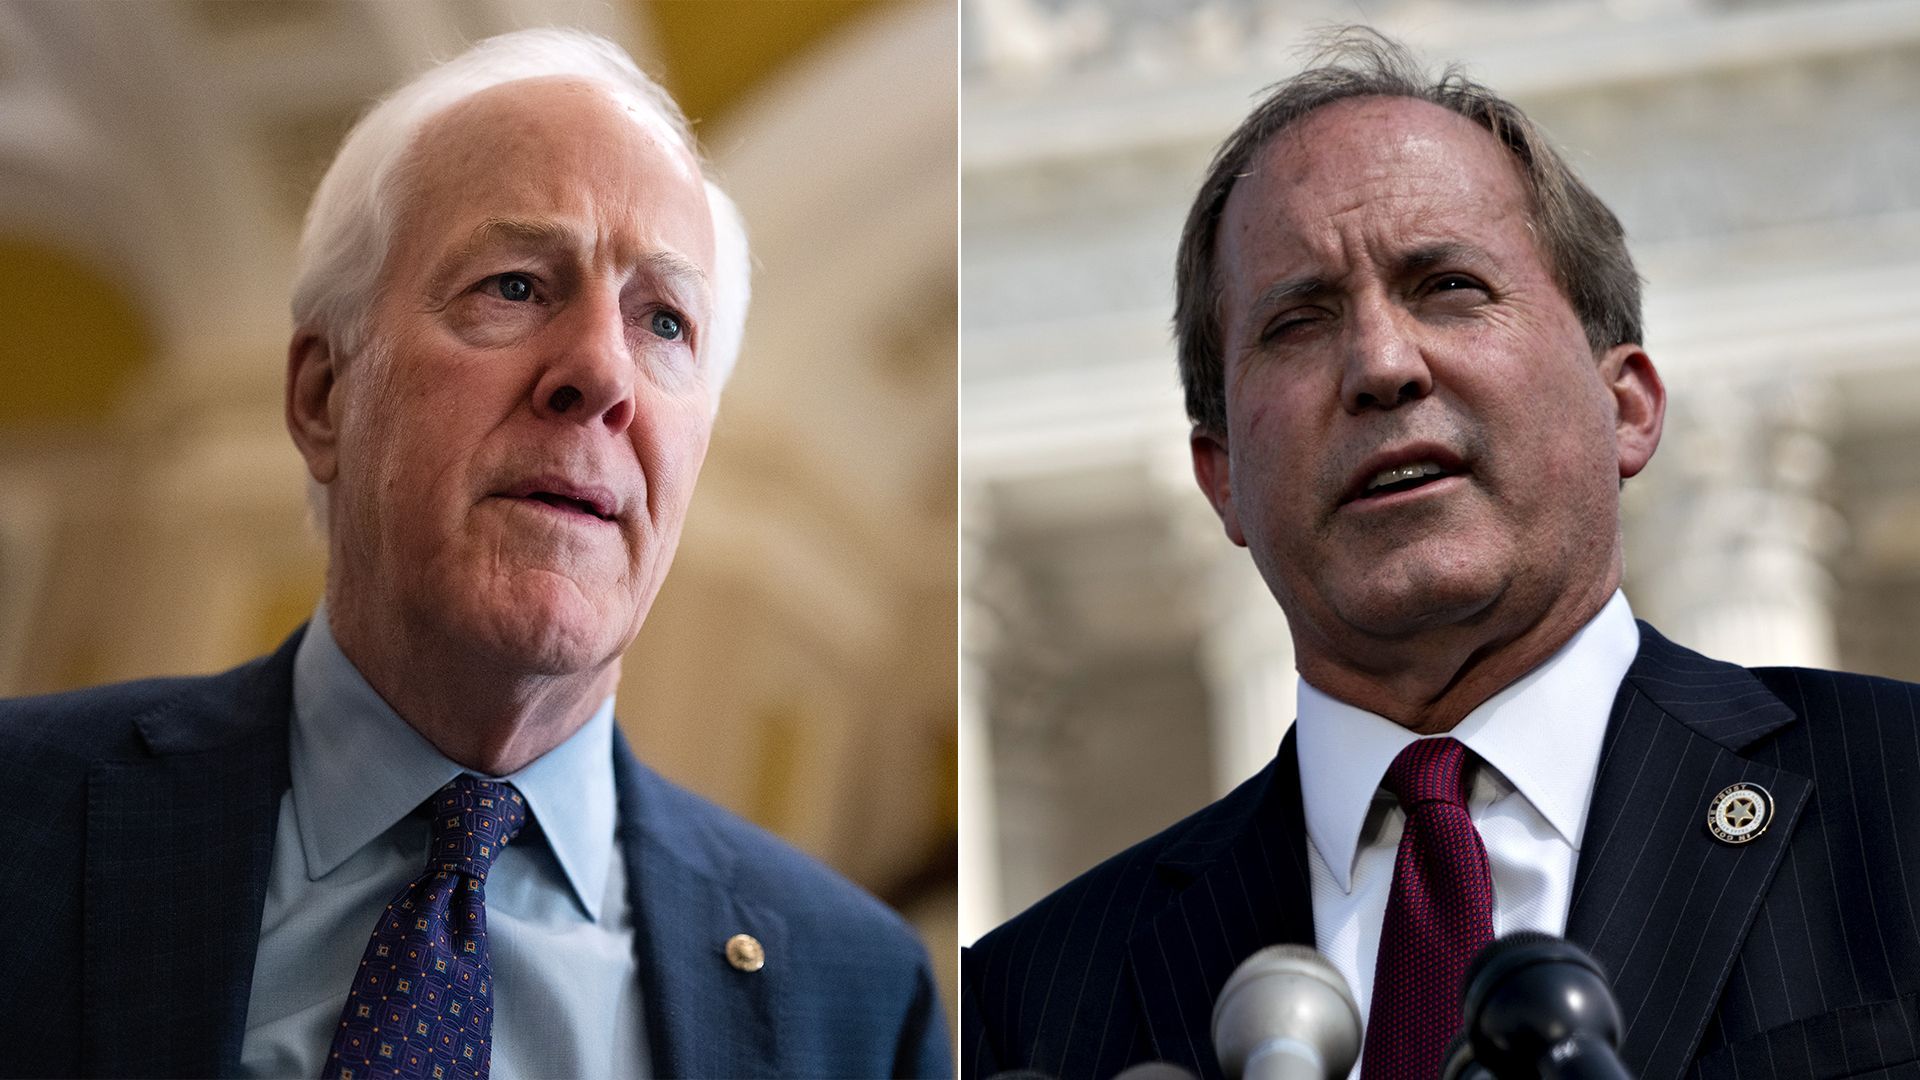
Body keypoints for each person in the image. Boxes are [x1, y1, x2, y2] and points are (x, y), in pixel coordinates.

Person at [962, 30, 1920, 1080]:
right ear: (1221, 477)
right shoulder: (1026, 1007)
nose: (1381, 364)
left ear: (1627, 406)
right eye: (1298, 321)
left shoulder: (1898, 795)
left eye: (1451, 286)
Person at [0, 28, 949, 1080]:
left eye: (665, 323)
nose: (602, 374)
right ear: (323, 395)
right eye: (515, 286)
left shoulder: (858, 1000)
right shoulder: (22, 814)